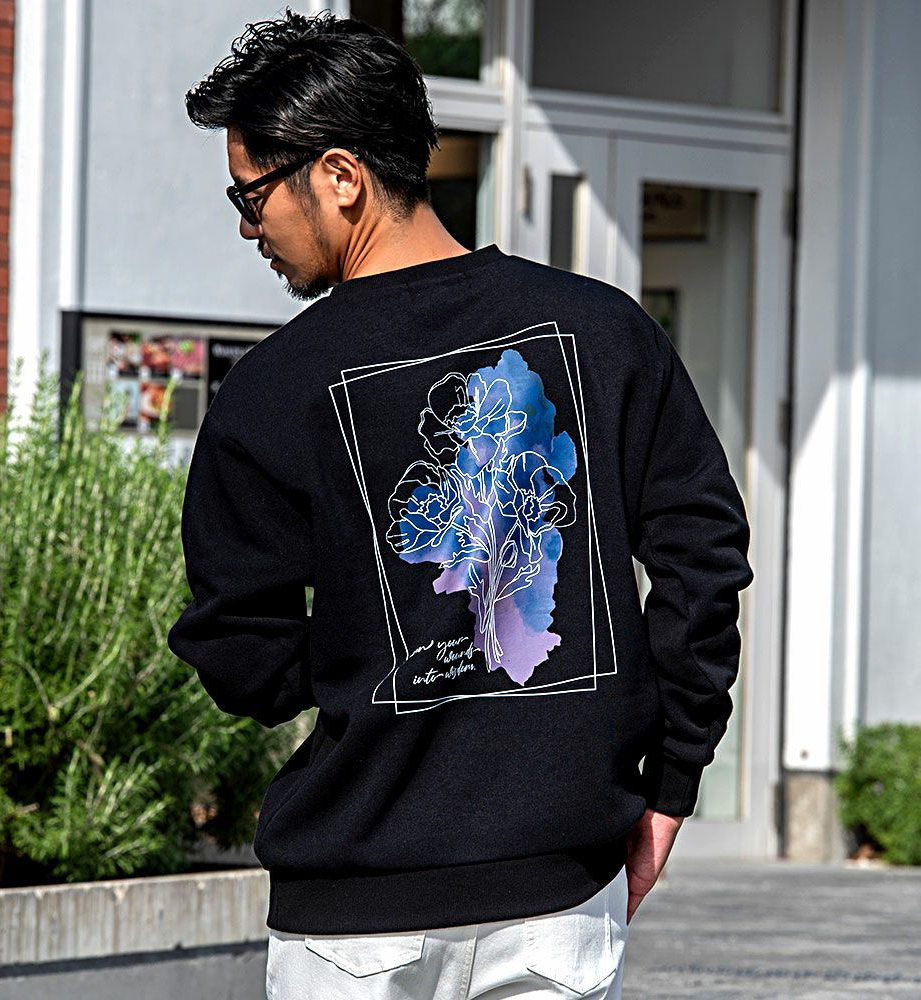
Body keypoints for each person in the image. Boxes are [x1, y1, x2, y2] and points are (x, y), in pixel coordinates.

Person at [167, 8, 754, 999]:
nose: (246, 225)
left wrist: (357, 657)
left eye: (251, 191)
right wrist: (672, 780)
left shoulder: (272, 390)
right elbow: (705, 557)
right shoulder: (603, 329)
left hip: (356, 917)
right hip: (558, 897)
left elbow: (238, 650)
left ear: (340, 176)